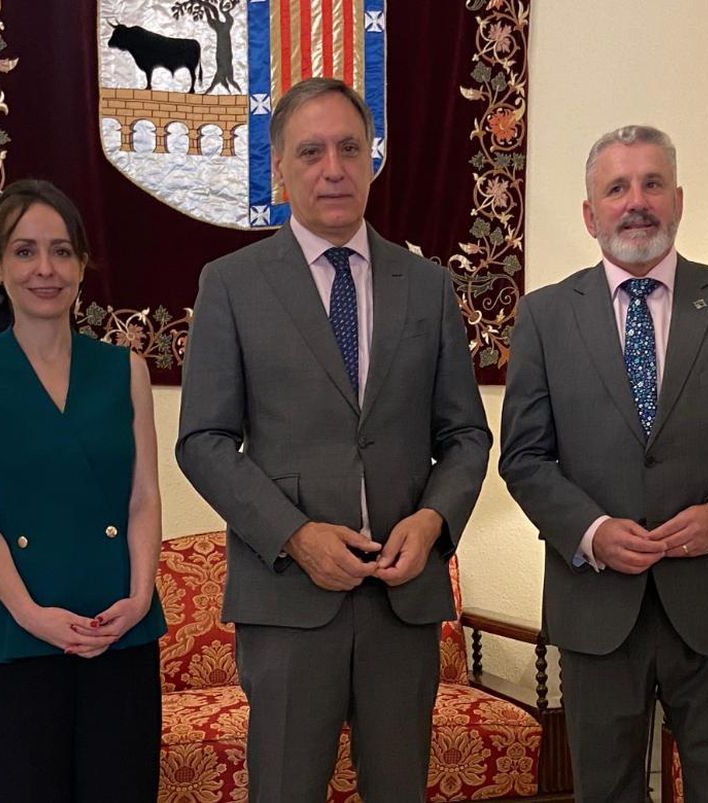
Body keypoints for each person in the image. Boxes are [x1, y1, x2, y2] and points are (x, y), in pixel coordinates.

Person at [175, 77, 491, 802]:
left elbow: (467, 434)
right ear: (279, 169)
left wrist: (434, 518)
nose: (333, 167)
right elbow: (204, 440)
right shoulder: (231, 284)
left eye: (350, 147)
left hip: (401, 599)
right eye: (310, 151)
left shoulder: (428, 286)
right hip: (287, 599)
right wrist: (293, 534)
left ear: (371, 159)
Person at [498, 125, 708, 802]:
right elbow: (525, 458)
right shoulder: (545, 316)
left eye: (651, 184)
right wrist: (589, 531)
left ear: (678, 200)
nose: (635, 202)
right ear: (591, 214)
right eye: (616, 188)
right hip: (595, 609)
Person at [0, 179, 166, 801]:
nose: (46, 268)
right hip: (15, 631)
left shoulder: (126, 369)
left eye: (62, 251)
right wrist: (29, 613)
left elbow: (144, 496)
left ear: (83, 265)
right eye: (25, 251)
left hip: (118, 625)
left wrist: (141, 596)